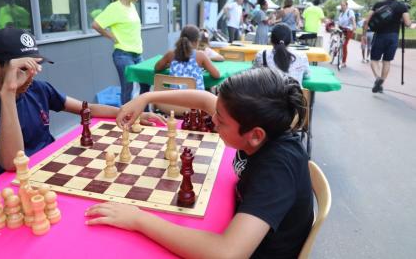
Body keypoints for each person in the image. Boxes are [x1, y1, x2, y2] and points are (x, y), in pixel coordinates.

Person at [85, 68, 313, 258]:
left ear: (255, 135)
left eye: (221, 121)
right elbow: (204, 99)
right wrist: (146, 98)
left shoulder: (278, 168)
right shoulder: (256, 122)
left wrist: (138, 218)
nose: (212, 120)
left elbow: (227, 253)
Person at [0, 28, 165, 177]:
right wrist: (9, 92)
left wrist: (128, 112)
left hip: (53, 166)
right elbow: (13, 162)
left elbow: (88, 108)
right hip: (18, 184)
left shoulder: (39, 89)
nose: (30, 76)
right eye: (22, 69)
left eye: (35, 66)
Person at [92, 0, 150, 105]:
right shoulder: (114, 8)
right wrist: (111, 36)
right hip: (123, 55)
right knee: (128, 89)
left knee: (146, 84)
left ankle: (144, 114)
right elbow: (96, 25)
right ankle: (125, 120)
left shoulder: (132, 7)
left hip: (138, 55)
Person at [362, 0, 413, 93]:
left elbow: (367, 21)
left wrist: (363, 35)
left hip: (380, 35)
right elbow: (408, 23)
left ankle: (377, 78)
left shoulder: (378, 4)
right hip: (393, 37)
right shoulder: (401, 6)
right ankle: (382, 82)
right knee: (387, 61)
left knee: (374, 59)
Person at [154, 25, 220, 90]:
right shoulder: (201, 55)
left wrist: (168, 65)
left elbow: (157, 68)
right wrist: (205, 66)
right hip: (196, 99)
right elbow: (217, 75)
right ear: (197, 41)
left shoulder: (170, 54)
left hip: (175, 98)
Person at [337, 0, 356, 68]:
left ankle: (344, 62)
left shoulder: (349, 12)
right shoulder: (341, 13)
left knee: (344, 45)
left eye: (344, 5)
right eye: (341, 5)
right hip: (341, 29)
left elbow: (353, 19)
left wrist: (354, 26)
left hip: (348, 30)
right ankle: (336, 52)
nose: (342, 7)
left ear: (347, 6)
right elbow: (339, 22)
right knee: (339, 43)